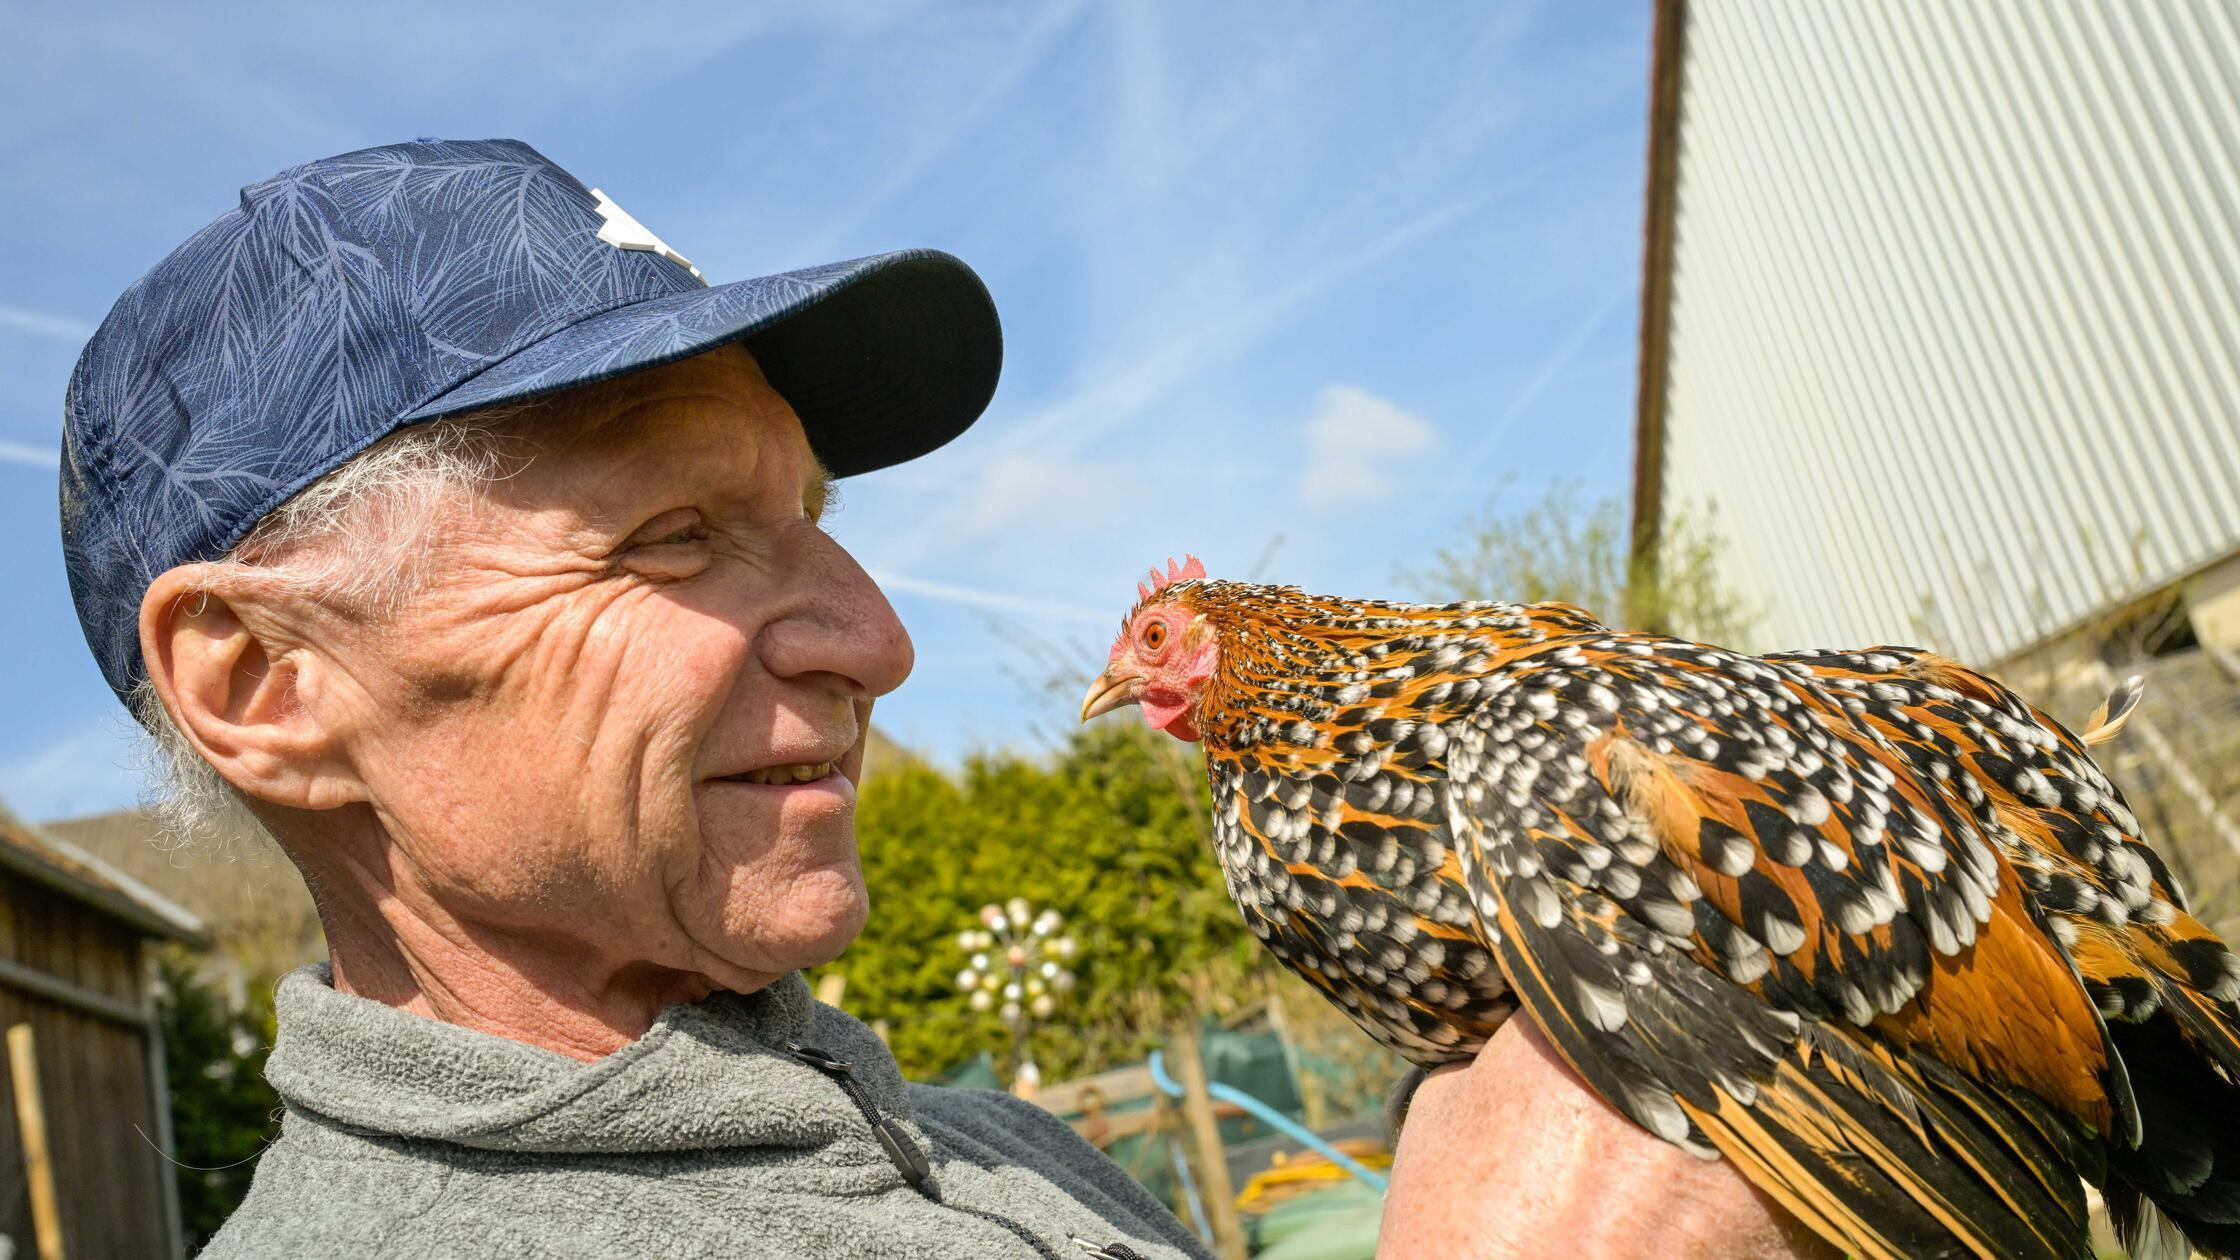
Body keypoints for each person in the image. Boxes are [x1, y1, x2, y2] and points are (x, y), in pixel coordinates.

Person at [61, 137, 1822, 1258]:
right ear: (267, 682)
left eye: (814, 519)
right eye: (674, 535)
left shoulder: (1009, 1151)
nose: (877, 637)